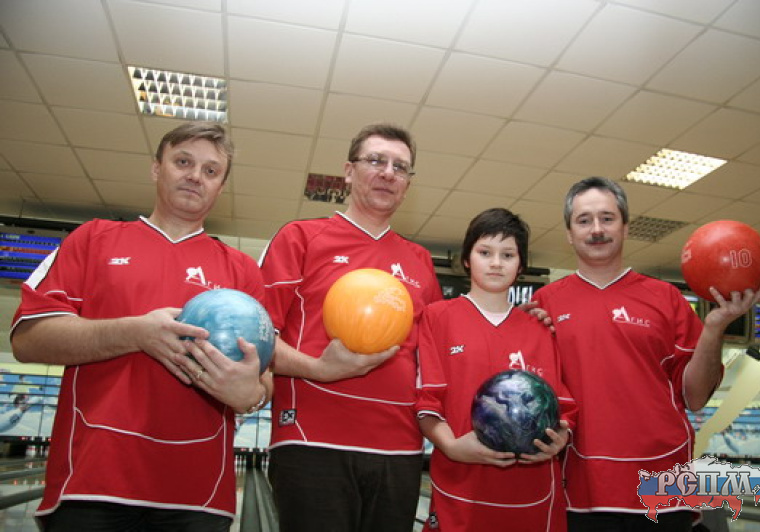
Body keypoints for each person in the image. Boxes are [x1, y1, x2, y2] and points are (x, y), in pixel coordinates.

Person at [10, 122, 273, 531]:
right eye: (183, 162)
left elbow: (264, 378)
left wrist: (251, 395)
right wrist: (135, 333)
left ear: (221, 187)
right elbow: (27, 340)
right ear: (156, 168)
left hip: (198, 495)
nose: (195, 176)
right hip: (91, 481)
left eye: (210, 170)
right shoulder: (92, 239)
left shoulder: (243, 271)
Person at [533, 177, 760, 532]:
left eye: (607, 218)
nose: (597, 229)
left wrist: (715, 327)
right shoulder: (545, 304)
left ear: (625, 227)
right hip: (579, 488)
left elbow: (695, 396)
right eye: (584, 220)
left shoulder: (666, 298)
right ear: (569, 233)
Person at [259, 123, 443, 531]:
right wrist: (319, 369)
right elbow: (255, 338)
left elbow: (438, 354)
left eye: (400, 167)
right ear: (348, 171)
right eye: (376, 161)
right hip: (311, 441)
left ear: (407, 185)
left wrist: (529, 318)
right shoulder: (301, 238)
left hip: (399, 450)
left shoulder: (419, 261)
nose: (388, 173)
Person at [416, 208, 576, 531]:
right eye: (485, 252)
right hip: (460, 488)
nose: (496, 263)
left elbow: (563, 407)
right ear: (466, 259)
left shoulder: (541, 329)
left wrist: (559, 438)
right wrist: (451, 447)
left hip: (531, 494)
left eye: (508, 255)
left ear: (521, 265)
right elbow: (426, 402)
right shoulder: (437, 317)